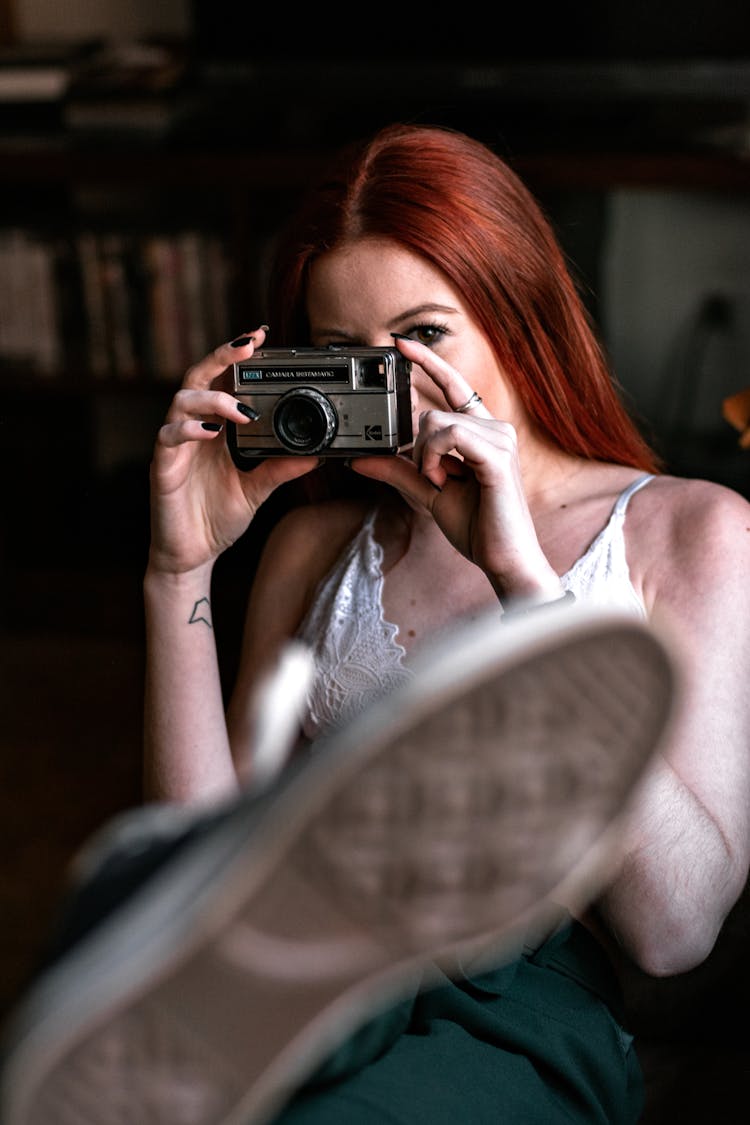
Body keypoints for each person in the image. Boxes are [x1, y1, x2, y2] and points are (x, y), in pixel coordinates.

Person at [3, 122, 750, 1124]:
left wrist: (525, 582)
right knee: (225, 962)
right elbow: (201, 857)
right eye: (346, 359)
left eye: (424, 337)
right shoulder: (316, 549)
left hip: (522, 991)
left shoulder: (690, 531)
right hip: (295, 957)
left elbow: (676, 935)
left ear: (515, 314)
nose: (389, 387)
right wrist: (176, 570)